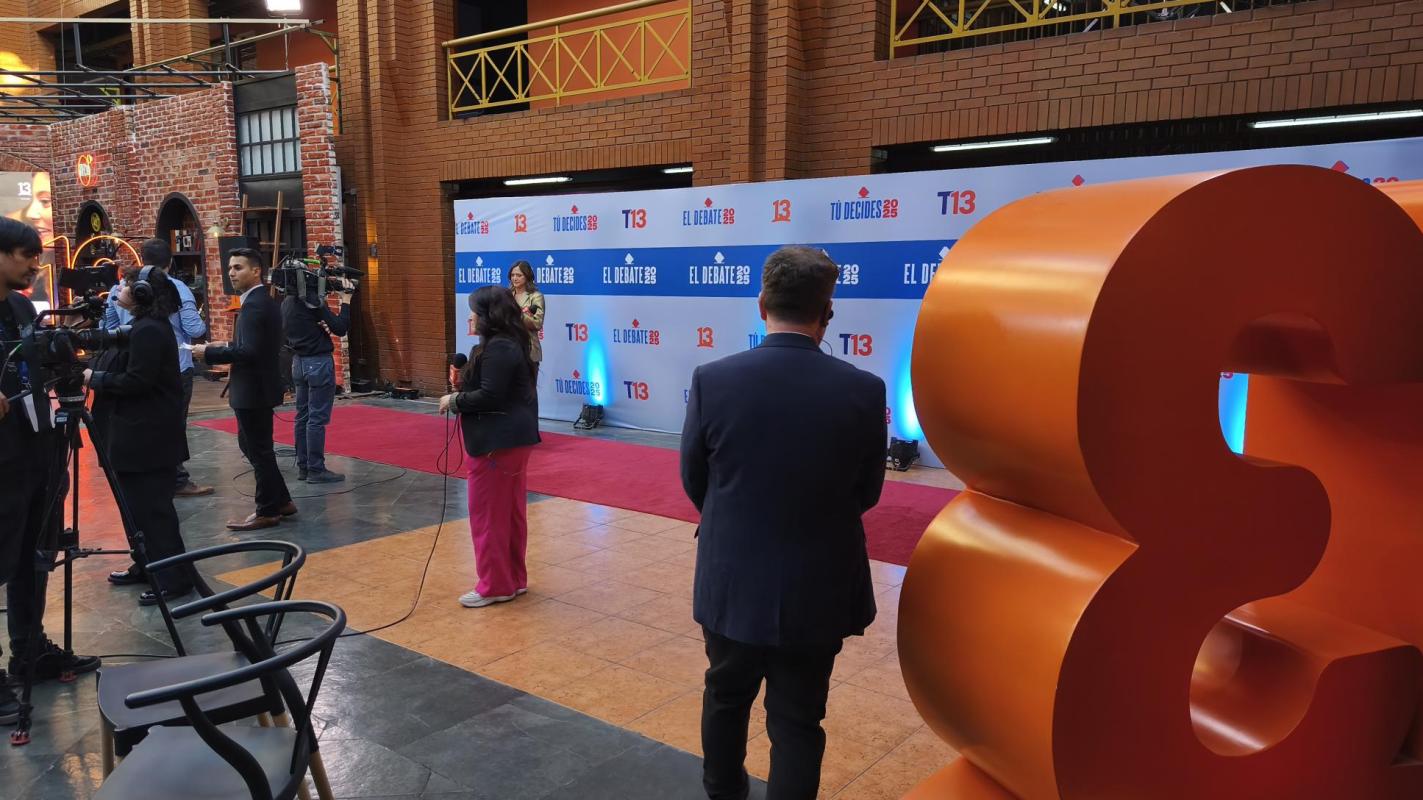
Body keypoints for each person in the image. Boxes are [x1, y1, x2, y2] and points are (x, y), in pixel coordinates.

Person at [680, 245, 886, 800]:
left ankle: (723, 792)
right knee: (798, 719)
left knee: (725, 697)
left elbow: (695, 481)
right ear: (827, 312)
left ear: (761, 304)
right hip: (819, 583)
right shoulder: (865, 390)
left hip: (731, 576)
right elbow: (867, 492)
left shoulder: (712, 380)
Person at [0, 218, 99, 725]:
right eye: (27, 256)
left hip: (37, 446)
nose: (35, 267)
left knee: (35, 555)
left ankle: (29, 650)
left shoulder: (21, 307)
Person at [86, 266, 194, 606]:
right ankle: (147, 565)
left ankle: (174, 578)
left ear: (143, 292)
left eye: (127, 284)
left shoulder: (150, 331)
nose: (120, 289)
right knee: (136, 510)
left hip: (148, 438)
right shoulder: (142, 326)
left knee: (153, 512)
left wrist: (95, 379)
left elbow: (138, 381)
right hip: (136, 435)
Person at [439, 286, 540, 609]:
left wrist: (455, 400)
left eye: (474, 311)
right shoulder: (507, 344)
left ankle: (495, 585)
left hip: (497, 442)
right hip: (510, 440)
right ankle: (512, 579)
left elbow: (491, 396)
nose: (470, 317)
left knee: (488, 517)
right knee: (508, 514)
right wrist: (463, 383)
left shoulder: (499, 348)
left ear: (488, 315)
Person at [102, 238, 214, 501]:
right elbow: (195, 328)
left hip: (128, 364)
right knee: (172, 424)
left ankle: (152, 474)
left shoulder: (119, 288)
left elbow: (107, 328)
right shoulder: (176, 288)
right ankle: (176, 479)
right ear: (170, 262)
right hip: (173, 366)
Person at [193, 249, 296, 531]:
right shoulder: (262, 301)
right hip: (257, 387)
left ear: (256, 271)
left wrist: (209, 353)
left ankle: (267, 510)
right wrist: (224, 346)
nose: (231, 273)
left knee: (259, 451)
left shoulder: (255, 305)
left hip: (253, 389)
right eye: (230, 268)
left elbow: (249, 351)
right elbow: (253, 345)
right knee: (252, 447)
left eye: (238, 267)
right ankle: (281, 500)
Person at [282, 269, 352, 483]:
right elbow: (340, 328)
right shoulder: (312, 301)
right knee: (316, 419)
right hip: (318, 363)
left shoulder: (286, 303)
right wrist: (346, 300)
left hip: (298, 363)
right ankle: (316, 469)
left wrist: (318, 329)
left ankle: (304, 467)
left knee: (302, 416)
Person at [508, 259, 545, 372]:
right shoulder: (506, 295)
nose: (515, 278)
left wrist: (518, 313)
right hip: (508, 349)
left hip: (528, 350)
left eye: (519, 275)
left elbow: (537, 323)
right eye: (513, 275)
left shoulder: (536, 296)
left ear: (527, 276)